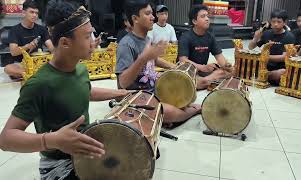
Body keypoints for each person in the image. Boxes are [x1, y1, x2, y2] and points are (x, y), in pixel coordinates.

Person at [0, 1, 129, 179]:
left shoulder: (81, 69)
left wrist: (121, 93)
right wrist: (51, 140)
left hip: (84, 153)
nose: (94, 41)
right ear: (65, 43)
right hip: (58, 165)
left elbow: (85, 91)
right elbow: (6, 139)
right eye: (87, 36)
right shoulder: (40, 84)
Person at [116, 0, 201, 125]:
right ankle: (193, 111)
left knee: (183, 91)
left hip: (153, 89)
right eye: (148, 14)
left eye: (152, 14)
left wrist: (174, 67)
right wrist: (143, 58)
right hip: (136, 96)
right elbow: (122, 83)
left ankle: (178, 112)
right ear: (135, 18)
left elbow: (153, 60)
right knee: (168, 112)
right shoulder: (126, 44)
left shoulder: (147, 39)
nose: (153, 17)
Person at [178, 4, 233, 89]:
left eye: (207, 16)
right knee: (188, 79)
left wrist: (227, 66)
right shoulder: (185, 37)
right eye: (203, 16)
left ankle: (205, 81)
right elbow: (183, 61)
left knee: (227, 72)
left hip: (203, 73)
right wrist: (202, 67)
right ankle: (205, 81)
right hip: (188, 71)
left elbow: (219, 56)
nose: (207, 19)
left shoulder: (210, 37)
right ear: (194, 21)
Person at [5, 0, 54, 79]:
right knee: (8, 68)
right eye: (31, 12)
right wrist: (28, 46)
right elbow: (13, 52)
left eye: (36, 13)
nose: (34, 15)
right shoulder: (14, 30)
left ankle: (33, 74)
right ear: (24, 13)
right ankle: (31, 73)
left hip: (39, 62)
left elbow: (51, 47)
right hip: (23, 65)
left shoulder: (41, 29)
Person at [249, 9, 295, 85]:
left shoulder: (289, 36)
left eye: (279, 22)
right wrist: (255, 38)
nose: (276, 24)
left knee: (282, 72)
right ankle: (265, 76)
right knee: (247, 62)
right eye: (273, 21)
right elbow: (251, 47)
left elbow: (284, 57)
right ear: (270, 21)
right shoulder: (267, 33)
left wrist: (265, 56)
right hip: (265, 65)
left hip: (279, 67)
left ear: (284, 23)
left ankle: (263, 76)